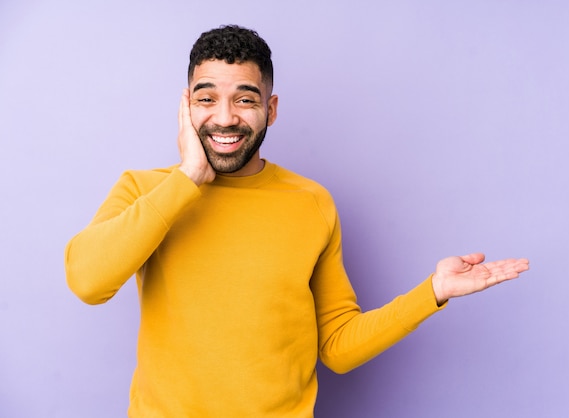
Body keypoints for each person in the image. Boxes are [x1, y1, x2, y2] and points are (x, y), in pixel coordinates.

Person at [65, 25, 529, 417]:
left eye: (245, 100)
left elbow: (339, 346)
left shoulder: (310, 203)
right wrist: (189, 177)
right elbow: (88, 281)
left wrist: (431, 293)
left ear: (271, 109)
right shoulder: (146, 190)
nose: (224, 118)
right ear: (187, 107)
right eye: (207, 98)